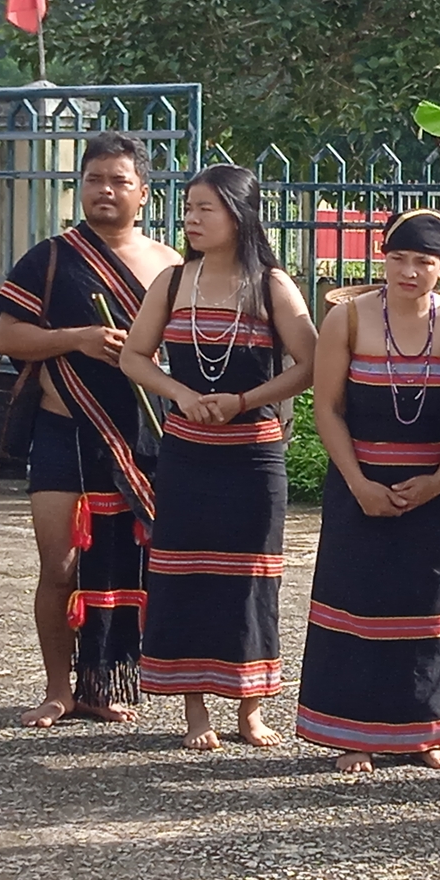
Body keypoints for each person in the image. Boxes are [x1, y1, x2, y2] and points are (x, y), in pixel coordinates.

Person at [121, 165, 317, 750]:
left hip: (253, 457)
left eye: (205, 208)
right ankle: (195, 710)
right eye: (188, 208)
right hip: (186, 452)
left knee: (250, 576)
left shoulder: (273, 286)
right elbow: (135, 356)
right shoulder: (173, 282)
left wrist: (245, 400)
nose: (192, 219)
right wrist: (180, 394)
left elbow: (310, 364)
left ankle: (250, 707)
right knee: (186, 572)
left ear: (239, 214)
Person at [0, 133, 182, 727]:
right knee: (60, 567)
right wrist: (77, 339)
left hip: (142, 439)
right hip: (64, 432)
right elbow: (7, 338)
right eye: (95, 179)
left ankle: (107, 681)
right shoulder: (49, 258)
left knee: (130, 564)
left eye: (120, 181)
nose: (106, 191)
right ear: (81, 187)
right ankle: (57, 688)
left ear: (143, 194)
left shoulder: (171, 265)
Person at [296, 209, 440, 773]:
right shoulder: (349, 318)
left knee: (430, 608)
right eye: (398, 258)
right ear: (382, 259)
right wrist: (358, 482)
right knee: (360, 602)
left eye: (423, 261)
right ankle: (354, 733)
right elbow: (327, 409)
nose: (408, 271)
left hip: (434, 485)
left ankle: (428, 731)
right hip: (360, 483)